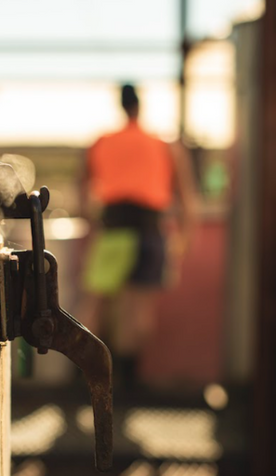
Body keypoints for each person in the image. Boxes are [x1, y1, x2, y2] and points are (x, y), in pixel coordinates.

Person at [81, 84, 198, 389]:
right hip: (151, 231)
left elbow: (83, 192)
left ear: (121, 106)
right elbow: (187, 199)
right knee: (138, 313)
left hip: (115, 230)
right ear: (140, 106)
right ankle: (127, 381)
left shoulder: (103, 143)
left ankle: (87, 377)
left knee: (95, 305)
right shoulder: (163, 145)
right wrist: (183, 238)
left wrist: (93, 226)